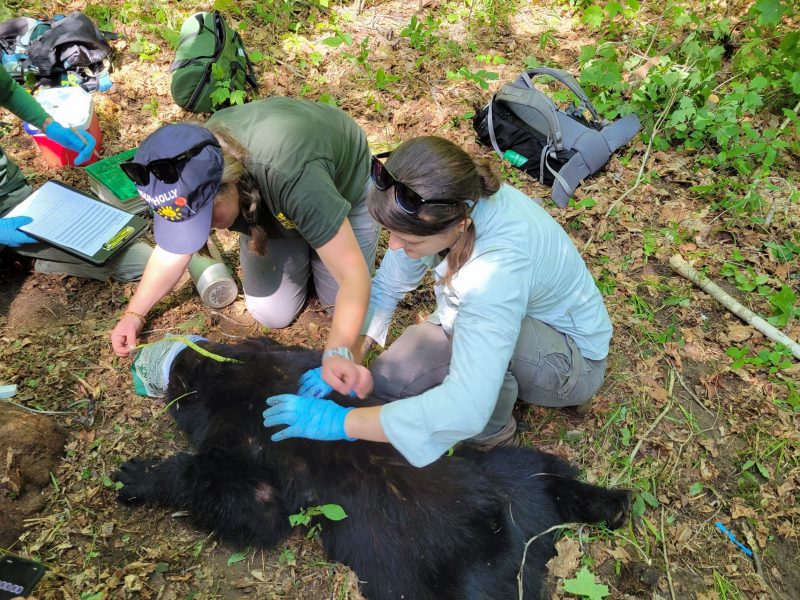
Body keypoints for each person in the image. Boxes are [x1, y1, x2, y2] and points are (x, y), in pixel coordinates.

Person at [263, 136, 613, 467]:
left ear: (458, 225)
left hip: (571, 360)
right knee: (386, 383)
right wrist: (347, 354)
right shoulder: (438, 201)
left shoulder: (495, 272)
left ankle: (492, 439)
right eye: (392, 235)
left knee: (469, 381)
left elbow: (465, 407)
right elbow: (387, 287)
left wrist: (344, 423)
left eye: (406, 240)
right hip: (488, 319)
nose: (396, 247)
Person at [110, 98, 380, 396]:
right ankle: (309, 235)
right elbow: (173, 251)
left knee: (338, 304)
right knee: (271, 313)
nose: (206, 228)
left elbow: (354, 277)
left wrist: (336, 353)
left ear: (233, 183)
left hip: (341, 188)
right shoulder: (183, 174)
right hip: (278, 201)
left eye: (206, 218)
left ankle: (317, 233)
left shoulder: (291, 175)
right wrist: (134, 314)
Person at [0, 68, 151, 281]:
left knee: (139, 258)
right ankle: (24, 259)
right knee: (143, 263)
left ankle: (27, 258)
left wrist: (49, 125)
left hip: (13, 197)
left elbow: (6, 90)